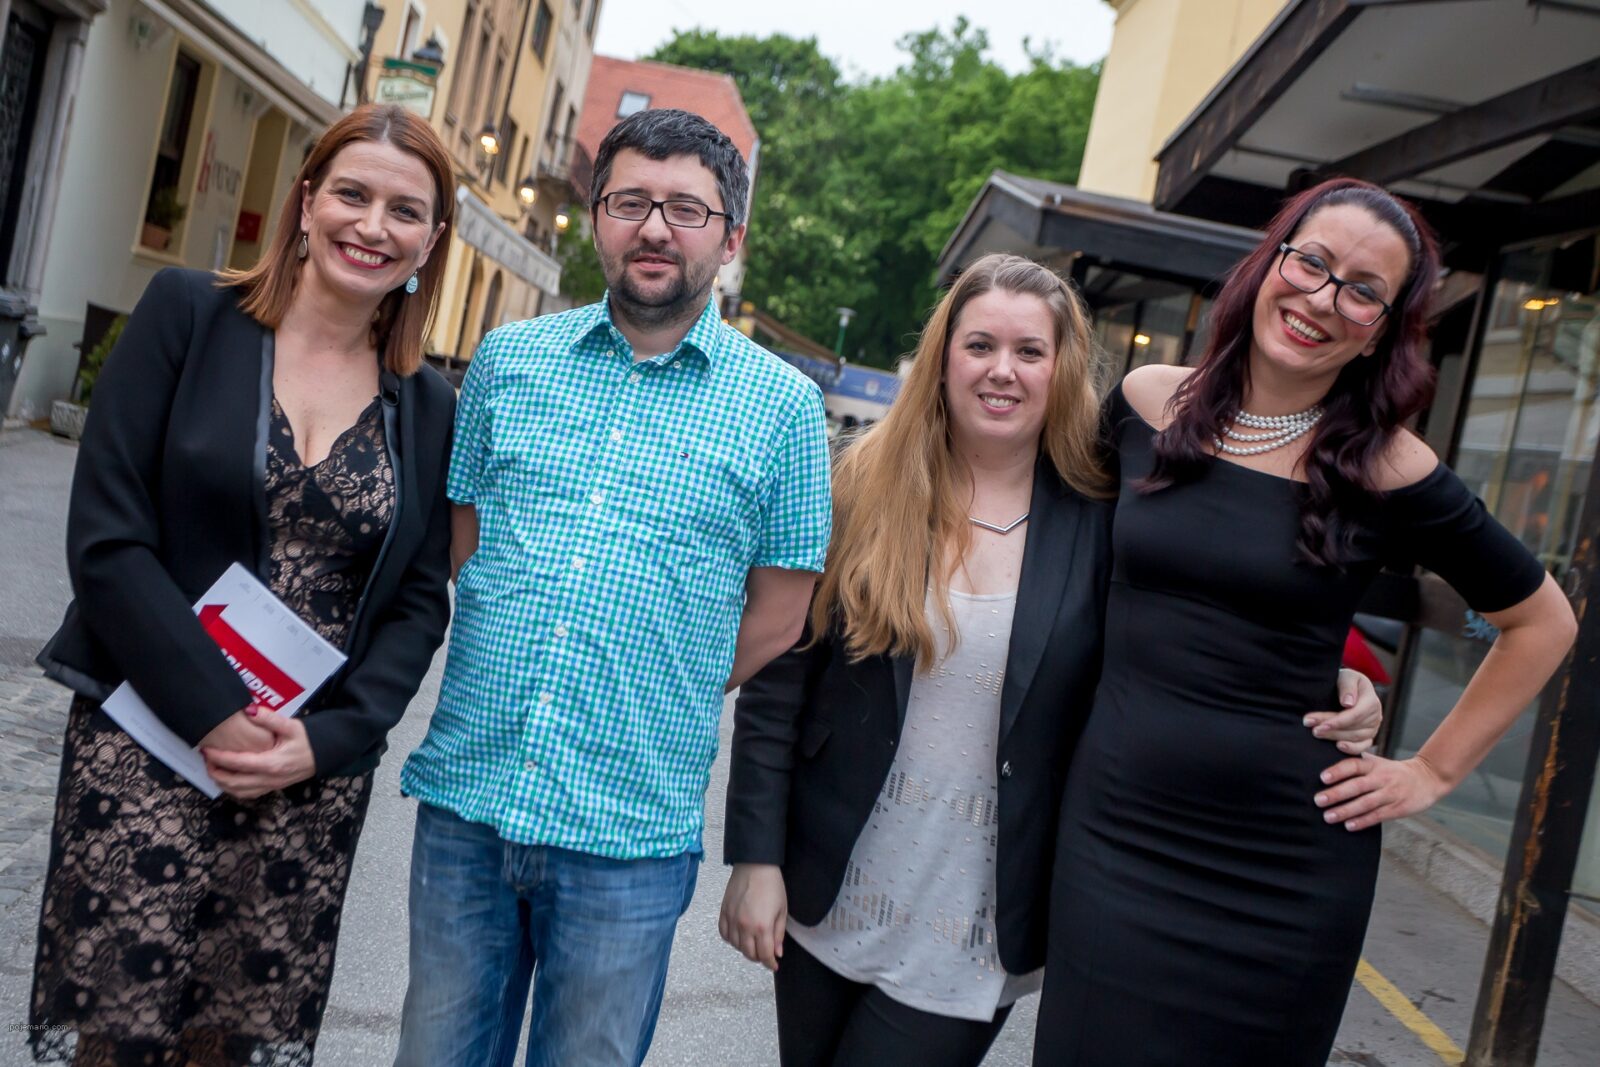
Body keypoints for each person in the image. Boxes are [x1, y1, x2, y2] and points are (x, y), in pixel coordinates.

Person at [717, 254, 1384, 1067]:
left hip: (977, 924)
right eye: (980, 345)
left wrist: (1333, 680)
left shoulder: (1107, 515)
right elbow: (781, 679)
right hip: (827, 885)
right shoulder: (860, 484)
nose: (1003, 371)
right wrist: (756, 857)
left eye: (1030, 351)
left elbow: (1199, 635)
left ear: (1062, 369)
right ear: (943, 356)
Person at [1032, 178, 1579, 1066]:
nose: (1323, 299)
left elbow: (1544, 621)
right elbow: (1055, 556)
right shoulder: (1143, 403)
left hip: (1283, 874)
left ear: (1385, 326)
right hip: (1115, 836)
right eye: (1312, 262)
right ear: (1271, 261)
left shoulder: (1390, 467)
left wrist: (1431, 771)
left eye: (1364, 289)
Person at [393, 107, 832, 1067]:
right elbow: (459, 543)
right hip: (470, 799)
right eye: (630, 200)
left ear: (732, 236)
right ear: (597, 216)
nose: (655, 227)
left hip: (626, 832)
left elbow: (785, 609)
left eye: (686, 207)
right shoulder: (513, 361)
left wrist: (660, 672)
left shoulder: (785, 408)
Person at [28, 103, 458, 1066]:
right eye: (351, 194)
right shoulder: (189, 316)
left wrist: (330, 741)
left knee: (234, 1039)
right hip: (145, 734)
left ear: (430, 241)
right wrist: (216, 710)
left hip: (299, 775)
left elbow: (422, 596)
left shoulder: (430, 405)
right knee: (118, 1031)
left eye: (403, 211)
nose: (370, 226)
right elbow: (107, 537)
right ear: (307, 201)